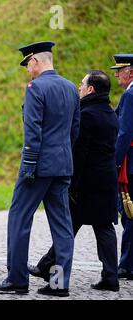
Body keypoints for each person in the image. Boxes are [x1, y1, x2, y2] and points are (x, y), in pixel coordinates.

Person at [0, 41, 80, 297]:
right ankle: (58, 284)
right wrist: (62, 156)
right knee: (62, 227)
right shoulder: (71, 88)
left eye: (28, 64)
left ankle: (17, 279)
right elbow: (75, 129)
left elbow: (33, 131)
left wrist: (29, 164)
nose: (28, 70)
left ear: (36, 62)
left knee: (19, 218)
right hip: (62, 166)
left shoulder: (35, 87)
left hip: (37, 166)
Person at [28, 70, 120, 291]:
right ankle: (110, 277)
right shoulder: (110, 112)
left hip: (86, 182)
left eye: (82, 84)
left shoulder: (86, 114)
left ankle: (55, 279)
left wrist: (71, 182)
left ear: (90, 90)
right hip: (106, 178)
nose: (78, 88)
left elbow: (79, 152)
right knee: (103, 227)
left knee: (65, 230)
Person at [111, 53, 133, 281]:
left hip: (131, 164)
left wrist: (115, 161)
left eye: (120, 70)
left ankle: (127, 265)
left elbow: (125, 132)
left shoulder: (130, 95)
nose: (116, 74)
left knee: (129, 214)